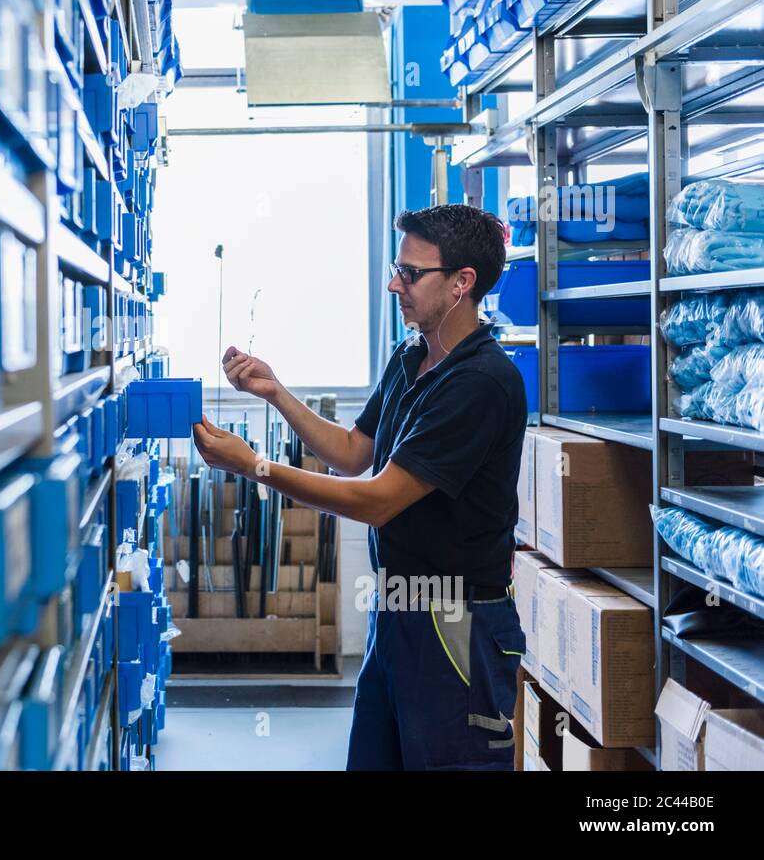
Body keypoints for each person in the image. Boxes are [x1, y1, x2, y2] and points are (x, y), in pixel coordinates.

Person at [193, 203, 528, 770]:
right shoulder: (412, 355)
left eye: (412, 274)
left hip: (455, 624)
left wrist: (257, 468)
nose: (396, 284)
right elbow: (353, 452)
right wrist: (275, 392)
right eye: (397, 269)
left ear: (461, 283)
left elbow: (378, 500)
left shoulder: (482, 383)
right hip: (396, 612)